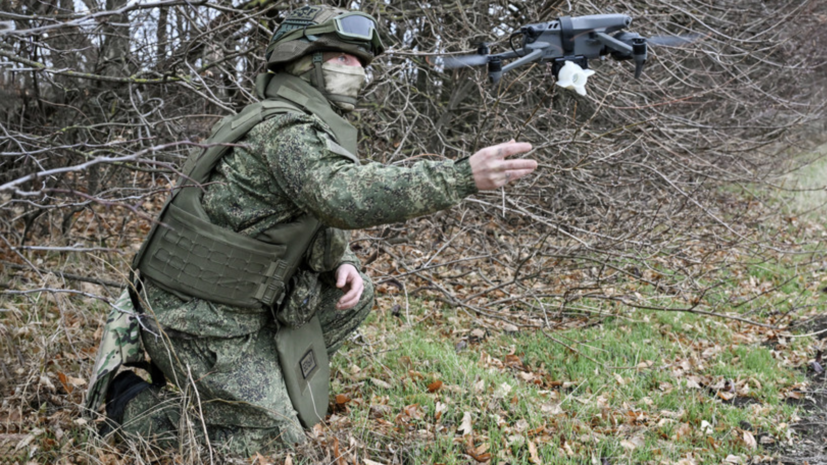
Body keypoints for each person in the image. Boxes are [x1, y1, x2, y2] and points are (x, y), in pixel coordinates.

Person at [85, 4, 536, 456]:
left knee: (351, 298)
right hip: (196, 315)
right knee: (273, 445)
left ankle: (257, 389)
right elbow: (341, 195)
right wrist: (461, 176)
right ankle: (125, 405)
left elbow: (303, 215)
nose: (358, 72)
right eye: (343, 59)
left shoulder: (299, 125)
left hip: (232, 302)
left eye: (361, 63)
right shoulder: (285, 129)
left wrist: (344, 259)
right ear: (304, 63)